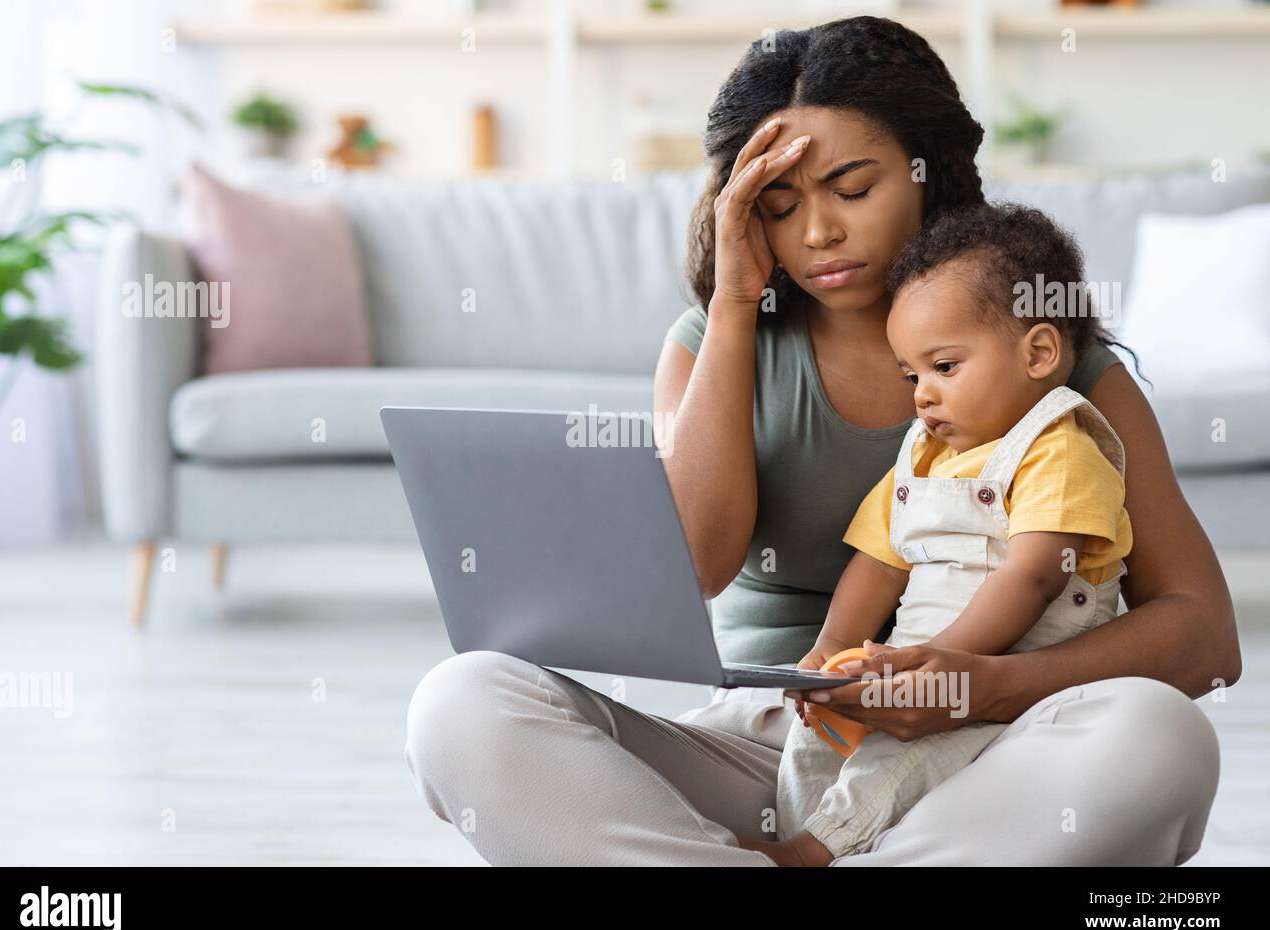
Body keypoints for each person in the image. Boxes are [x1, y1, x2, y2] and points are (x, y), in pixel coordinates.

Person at [404, 17, 1237, 866]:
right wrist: (733, 305)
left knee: (1159, 734)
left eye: (851, 188)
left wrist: (982, 688)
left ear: (927, 171)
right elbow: (696, 562)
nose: (817, 235)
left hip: (999, 751)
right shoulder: (710, 342)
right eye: (779, 205)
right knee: (462, 701)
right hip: (774, 740)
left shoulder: (1052, 363)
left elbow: (1206, 641)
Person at [768, 202, 1134, 866]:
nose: (921, 395)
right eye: (911, 375)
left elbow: (1034, 575)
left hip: (1002, 686)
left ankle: (817, 851)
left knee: (906, 758)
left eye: (944, 367)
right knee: (817, 738)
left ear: (1040, 352)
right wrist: (828, 652)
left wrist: (940, 664)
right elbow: (878, 563)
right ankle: (802, 837)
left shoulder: (1062, 451)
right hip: (914, 664)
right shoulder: (921, 457)